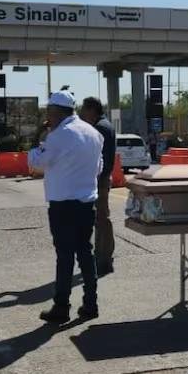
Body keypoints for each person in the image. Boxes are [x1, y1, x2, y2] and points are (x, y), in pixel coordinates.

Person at [28, 90, 104, 325]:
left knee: (64, 256)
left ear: (55, 112)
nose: (47, 116)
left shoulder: (59, 135)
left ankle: (61, 307)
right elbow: (98, 168)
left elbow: (35, 162)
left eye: (48, 112)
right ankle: (90, 304)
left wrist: (38, 137)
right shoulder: (93, 133)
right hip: (86, 203)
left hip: (63, 206)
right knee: (85, 253)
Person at [79, 96, 116, 276]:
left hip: (100, 180)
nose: (82, 113)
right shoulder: (103, 125)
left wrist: (97, 178)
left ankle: (104, 259)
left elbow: (104, 159)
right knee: (100, 219)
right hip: (101, 179)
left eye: (84, 110)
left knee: (102, 219)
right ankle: (101, 256)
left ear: (92, 110)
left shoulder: (100, 128)